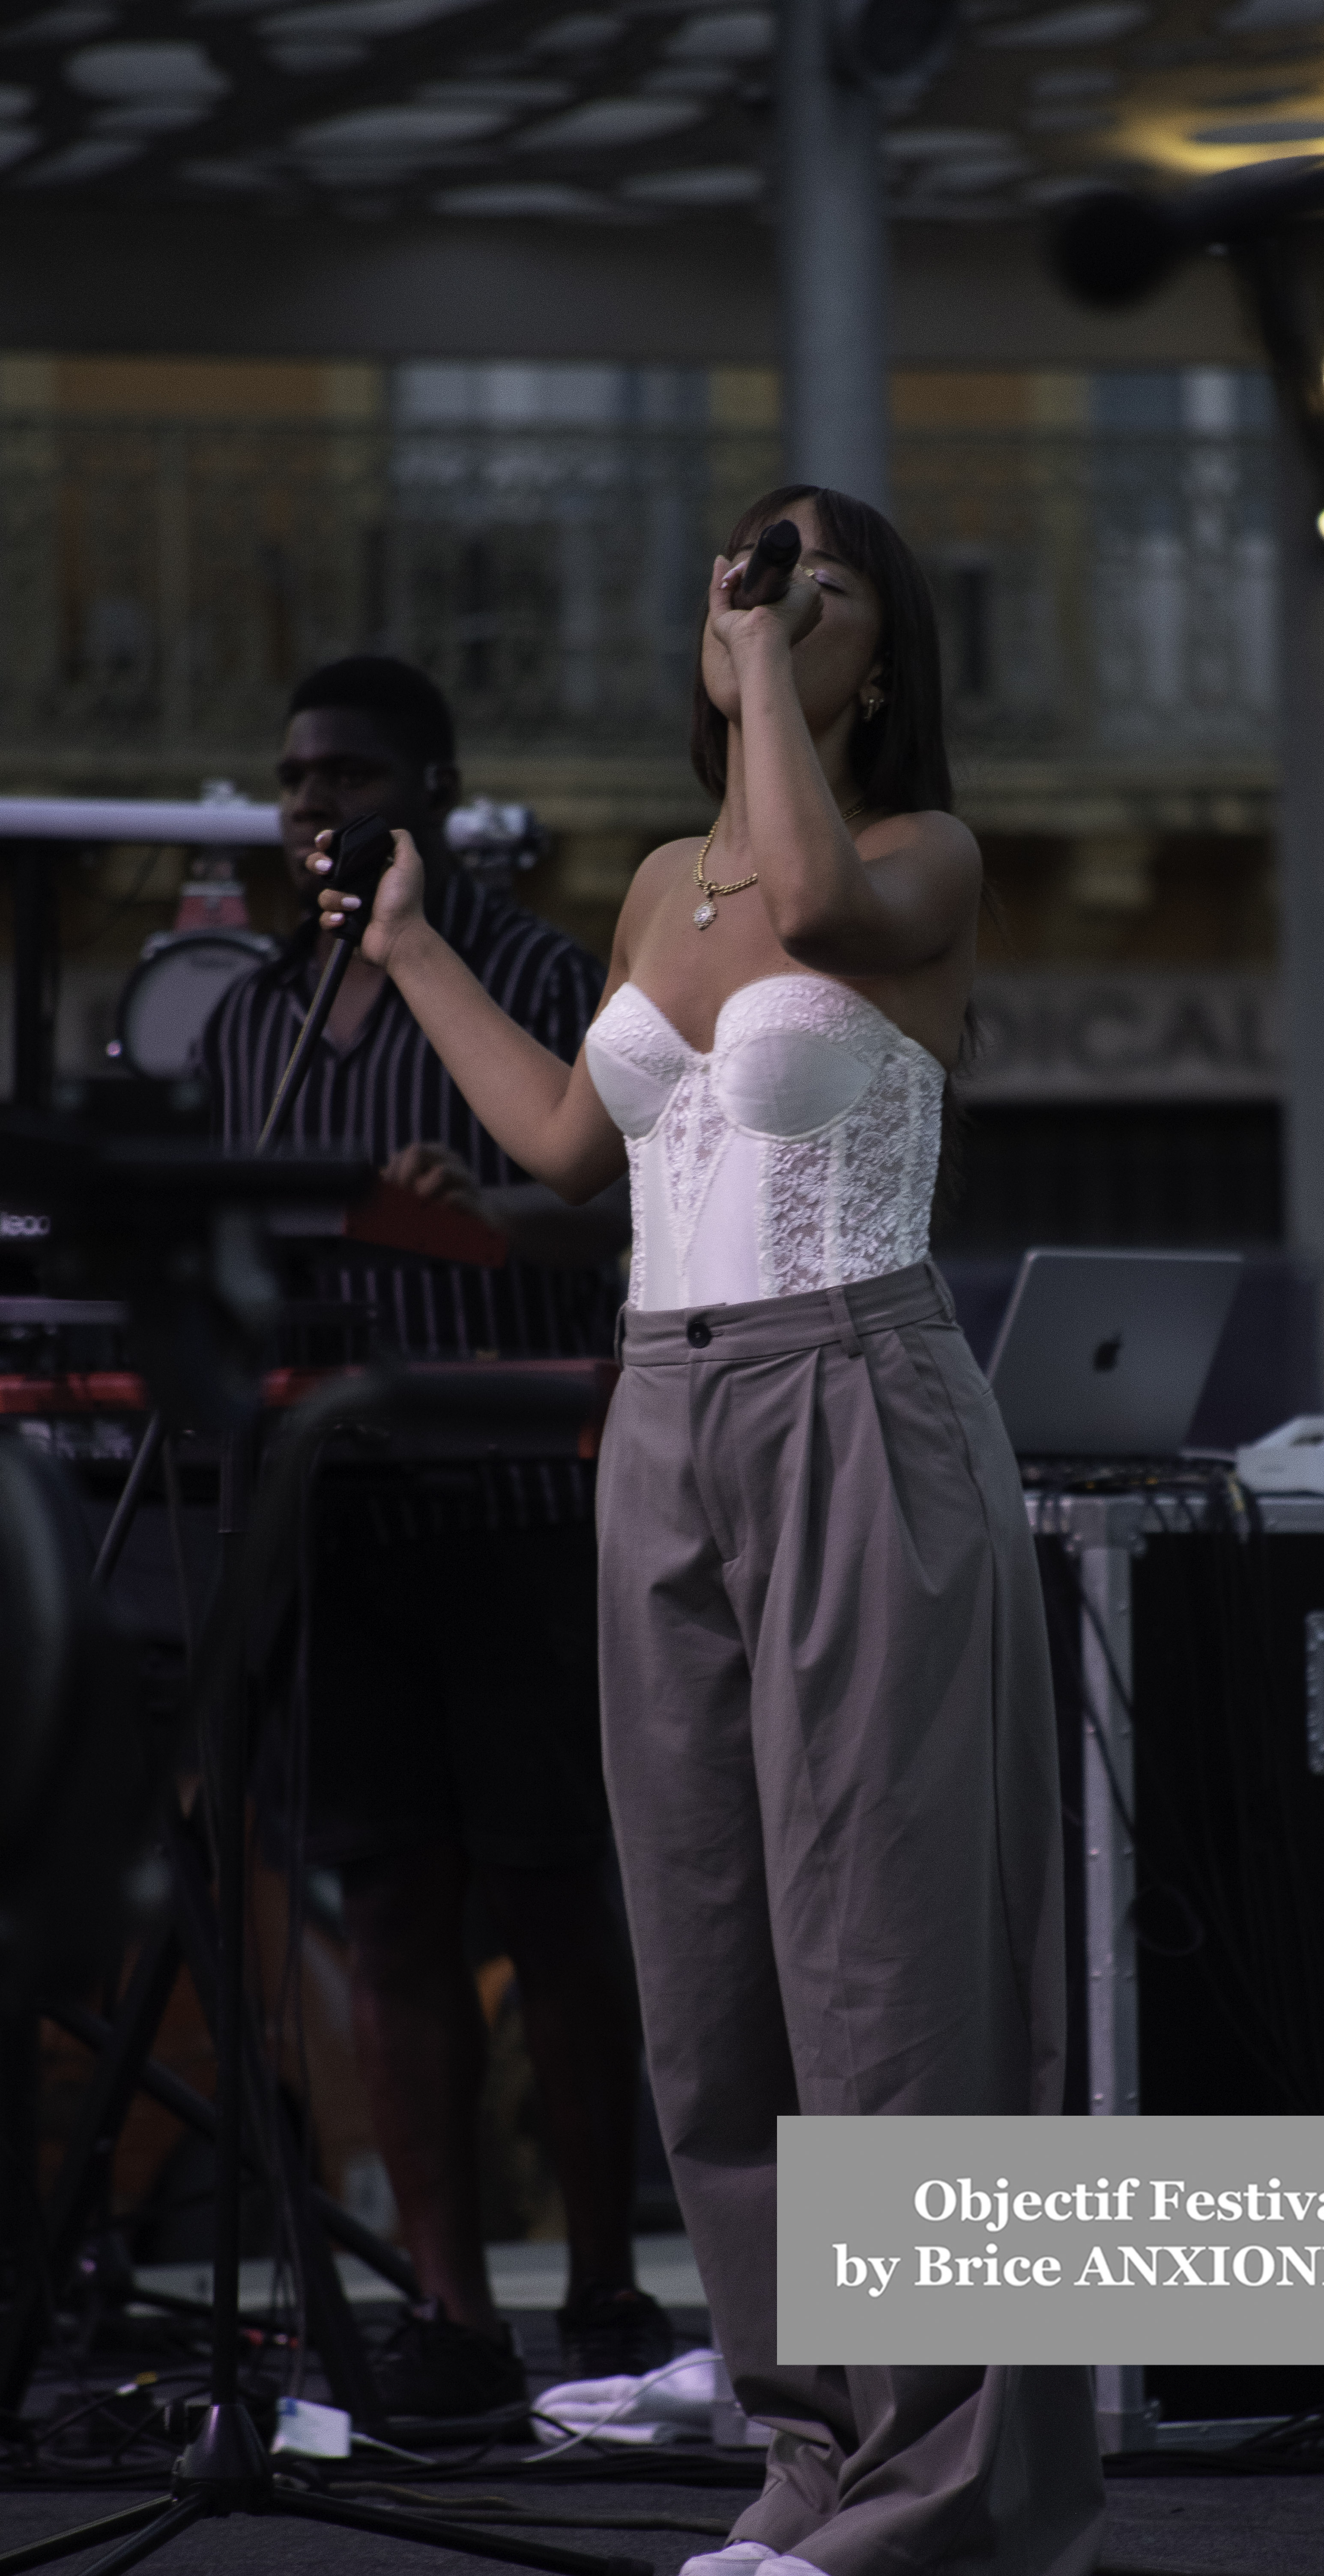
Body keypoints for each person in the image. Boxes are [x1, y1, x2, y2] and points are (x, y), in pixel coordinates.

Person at [316, 503, 1105, 2572]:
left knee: (887, 1968)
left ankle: (941, 2481)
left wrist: (769, 680)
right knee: (710, 1961)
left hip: (853, 1384)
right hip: (654, 1409)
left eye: (812, 589)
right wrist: (407, 950)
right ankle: (806, 2450)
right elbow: (570, 1143)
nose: (755, 604)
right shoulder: (665, 882)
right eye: (739, 580)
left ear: (875, 656)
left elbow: (826, 907)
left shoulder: (918, 853)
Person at [200, 656, 673, 2416]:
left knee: (559, 1896)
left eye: (349, 773)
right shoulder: (248, 1011)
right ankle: (453, 2317)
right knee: (390, 1905)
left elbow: (625, 1209)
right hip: (337, 1510)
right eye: (293, 776)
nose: (314, 805)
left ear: (437, 789)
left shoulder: (544, 970)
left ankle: (612, 2300)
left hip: (523, 1496)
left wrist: (493, 1228)